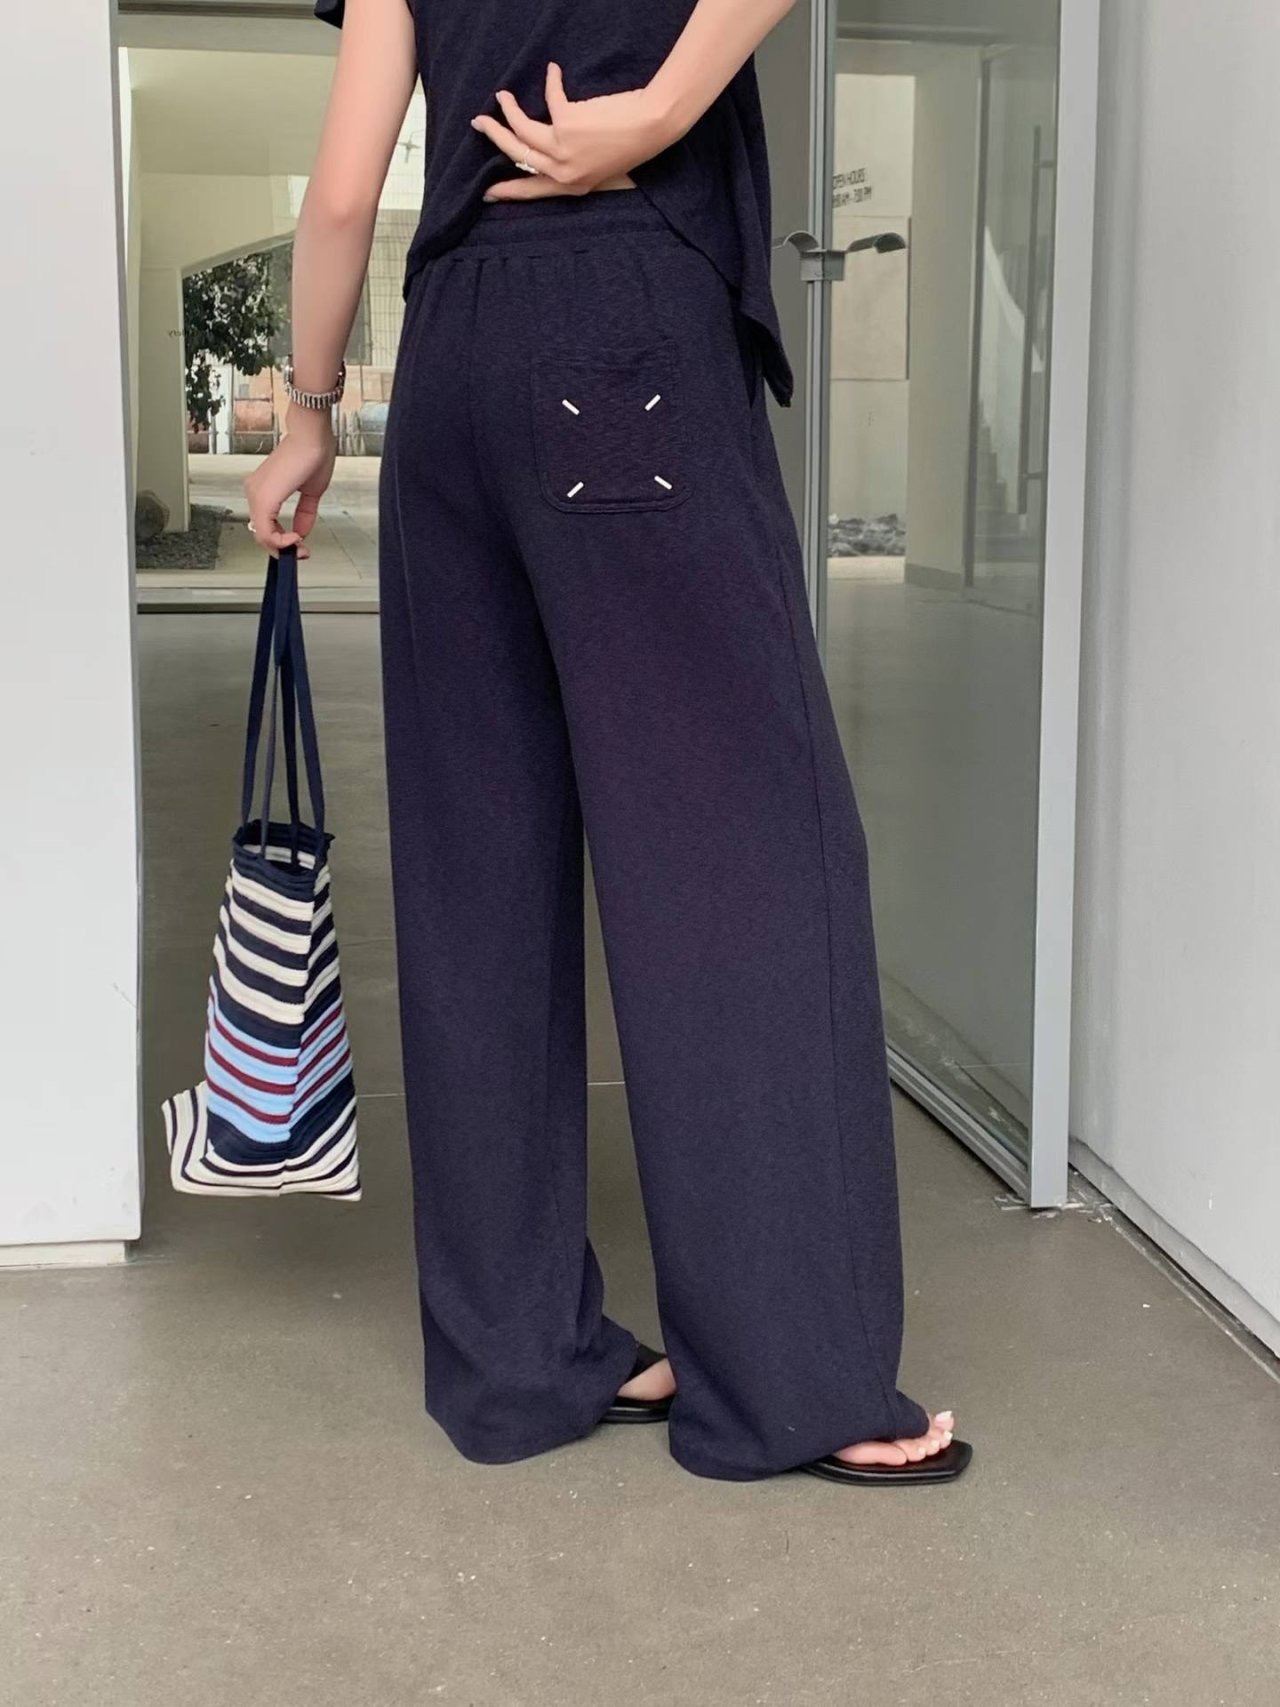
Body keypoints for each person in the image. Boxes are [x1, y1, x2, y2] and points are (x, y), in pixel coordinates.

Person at [244, 0, 970, 1487]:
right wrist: (661, 107)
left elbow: (341, 193)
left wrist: (307, 415)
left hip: (449, 352)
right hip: (625, 314)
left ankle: (516, 1366)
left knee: (478, 870)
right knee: (738, 856)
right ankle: (796, 1384)